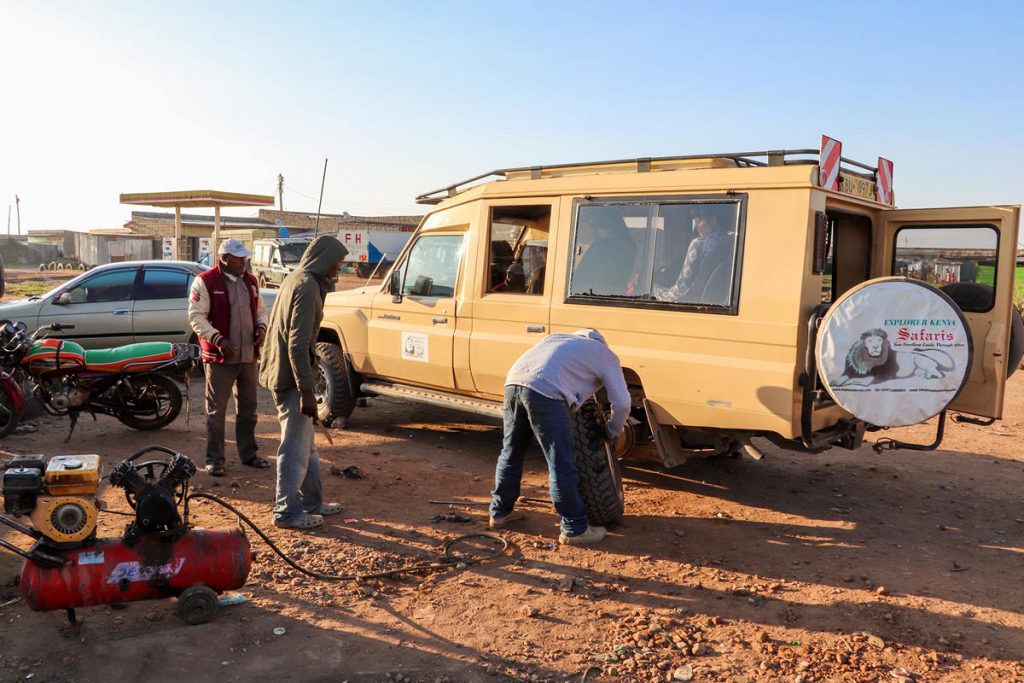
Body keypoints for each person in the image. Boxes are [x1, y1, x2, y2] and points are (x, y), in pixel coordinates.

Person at [489, 329, 630, 546]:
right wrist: (612, 430)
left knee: (511, 451)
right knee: (561, 462)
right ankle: (574, 528)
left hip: (514, 383)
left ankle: (500, 513)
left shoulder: (556, 339)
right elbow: (622, 403)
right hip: (546, 393)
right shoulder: (604, 354)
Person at [259, 235, 348, 530]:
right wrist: (307, 391)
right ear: (325, 259)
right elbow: (298, 344)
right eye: (338, 261)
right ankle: (286, 512)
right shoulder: (307, 287)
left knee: (306, 446)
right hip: (291, 379)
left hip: (284, 373)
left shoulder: (296, 279)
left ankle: (310, 502)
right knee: (294, 447)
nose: (340, 267)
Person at [188, 238, 269, 477]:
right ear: (224, 258)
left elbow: (261, 311)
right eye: (239, 258)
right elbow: (196, 316)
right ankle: (215, 460)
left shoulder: (250, 281)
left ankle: (249, 454)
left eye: (244, 257)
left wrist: (261, 328)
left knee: (248, 409)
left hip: (247, 356)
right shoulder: (205, 281)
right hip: (220, 358)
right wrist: (218, 340)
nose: (244, 261)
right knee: (216, 411)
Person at [654, 207, 734, 304]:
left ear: (713, 221)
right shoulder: (730, 241)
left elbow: (683, 287)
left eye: (698, 221)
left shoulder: (699, 244)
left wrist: (655, 291)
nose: (695, 226)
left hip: (690, 301)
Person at [571, 212, 637, 296]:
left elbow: (586, 273)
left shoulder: (604, 244)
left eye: (594, 224)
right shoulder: (628, 243)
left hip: (596, 293)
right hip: (612, 292)